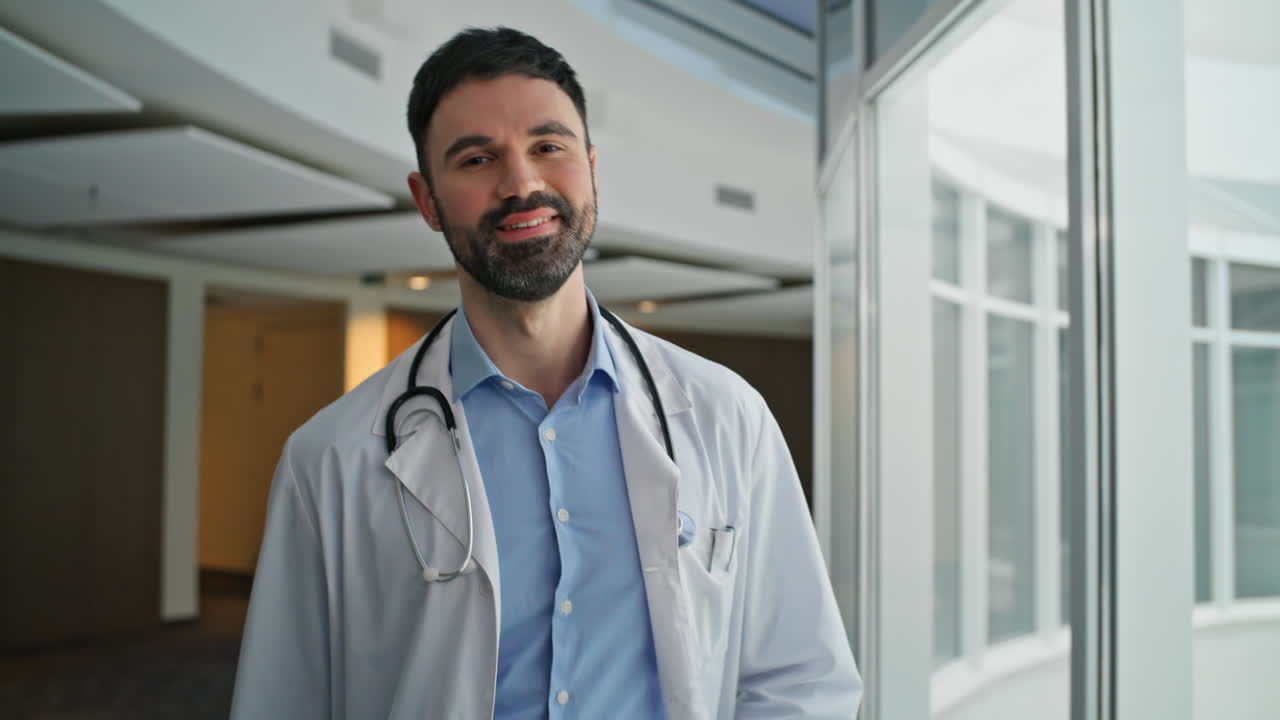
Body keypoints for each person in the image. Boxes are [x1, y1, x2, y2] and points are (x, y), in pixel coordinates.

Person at [230, 26, 861, 720]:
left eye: (548, 147)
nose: (521, 183)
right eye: (476, 158)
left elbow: (801, 680)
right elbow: (282, 700)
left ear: (590, 166)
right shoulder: (330, 458)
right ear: (427, 199)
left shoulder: (724, 414)